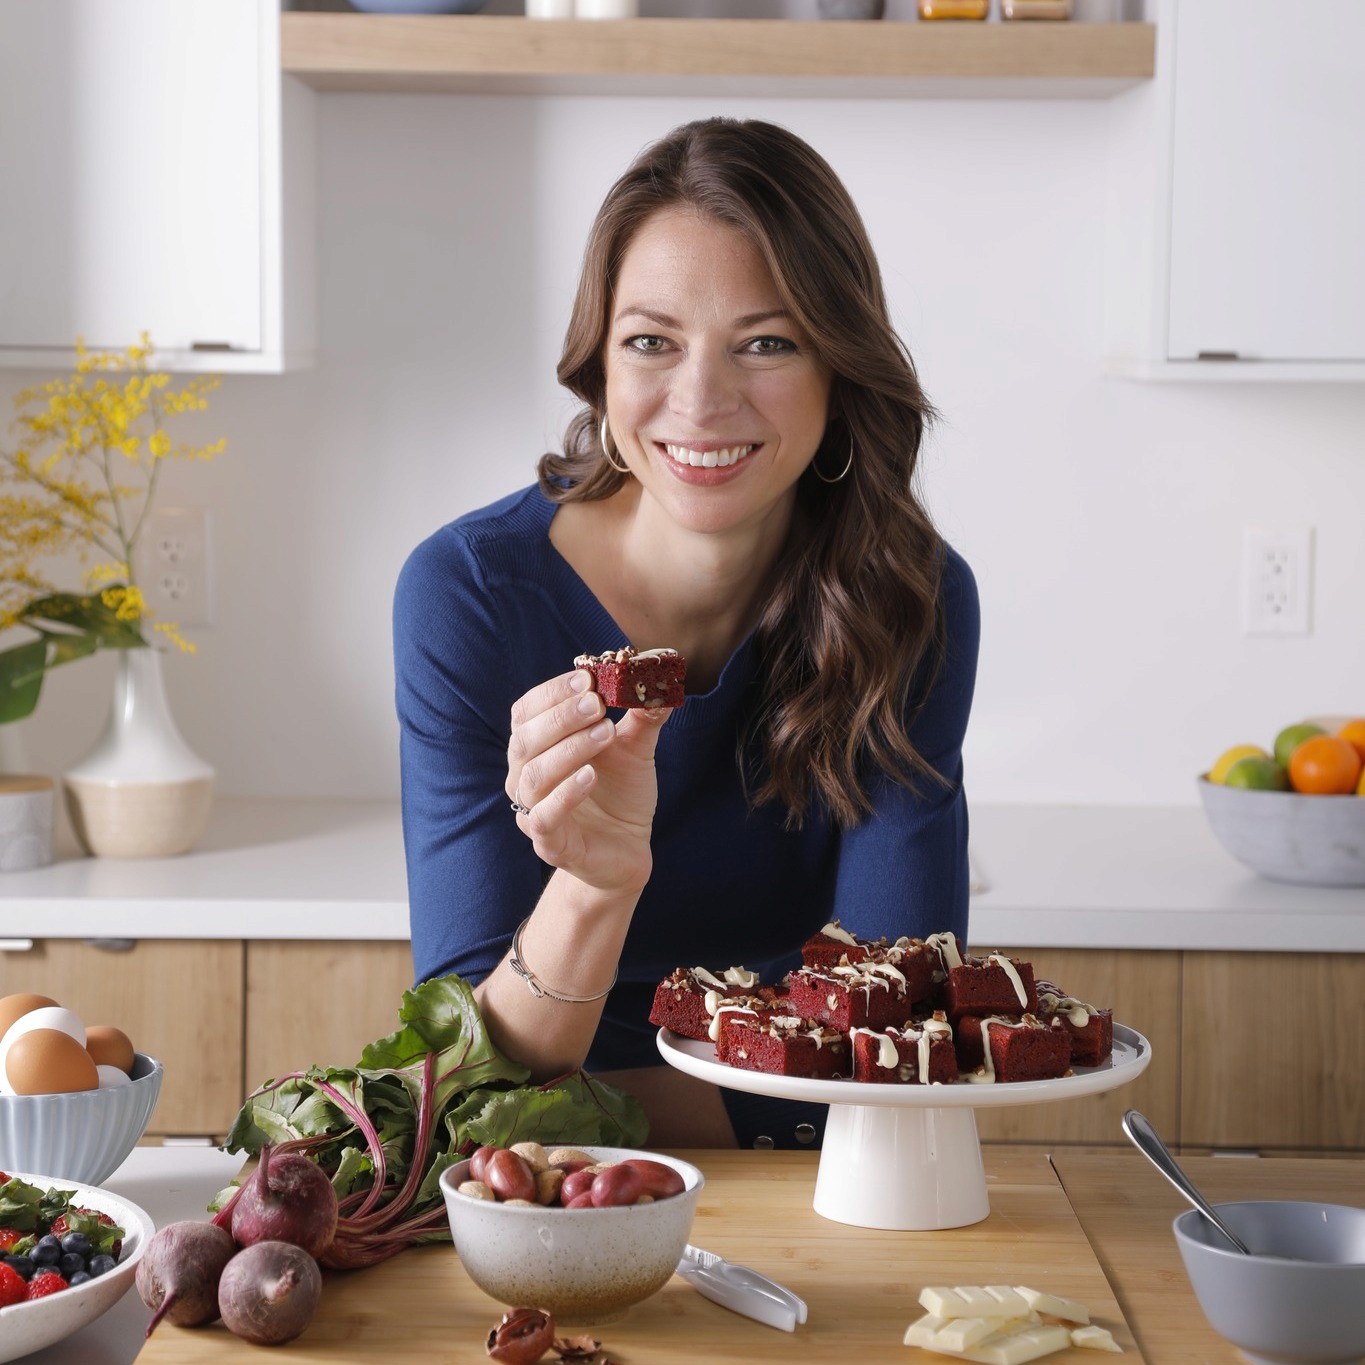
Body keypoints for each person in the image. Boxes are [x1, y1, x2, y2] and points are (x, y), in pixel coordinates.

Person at [394, 117, 979, 1150]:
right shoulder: (469, 596)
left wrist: (592, 1109)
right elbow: (470, 1080)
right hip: (563, 1199)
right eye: (652, 342)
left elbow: (894, 1035)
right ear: (600, 366)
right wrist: (597, 879)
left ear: (840, 367)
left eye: (766, 342)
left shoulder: (911, 600)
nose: (701, 401)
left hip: (812, 1178)